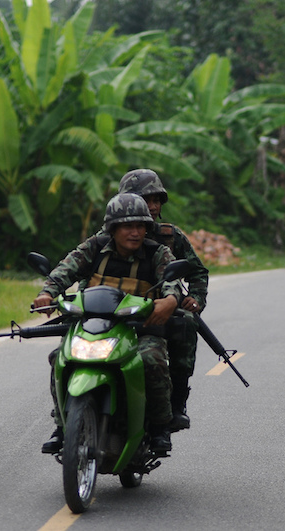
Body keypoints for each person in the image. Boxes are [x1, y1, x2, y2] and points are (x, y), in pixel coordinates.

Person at [32, 193, 182, 453]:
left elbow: (171, 282)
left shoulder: (158, 253)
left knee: (152, 360)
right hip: (92, 325)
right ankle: (61, 424)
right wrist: (47, 292)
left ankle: (159, 427)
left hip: (139, 329)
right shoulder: (95, 247)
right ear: (113, 228)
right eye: (127, 226)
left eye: (140, 226)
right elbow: (65, 269)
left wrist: (170, 299)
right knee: (60, 358)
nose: (135, 233)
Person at [118, 169, 209, 433]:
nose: (154, 206)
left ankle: (176, 402)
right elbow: (85, 270)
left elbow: (197, 271)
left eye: (158, 200)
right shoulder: (108, 235)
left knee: (187, 323)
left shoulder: (169, 237)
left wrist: (195, 297)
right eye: (147, 199)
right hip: (114, 310)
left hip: (160, 309)